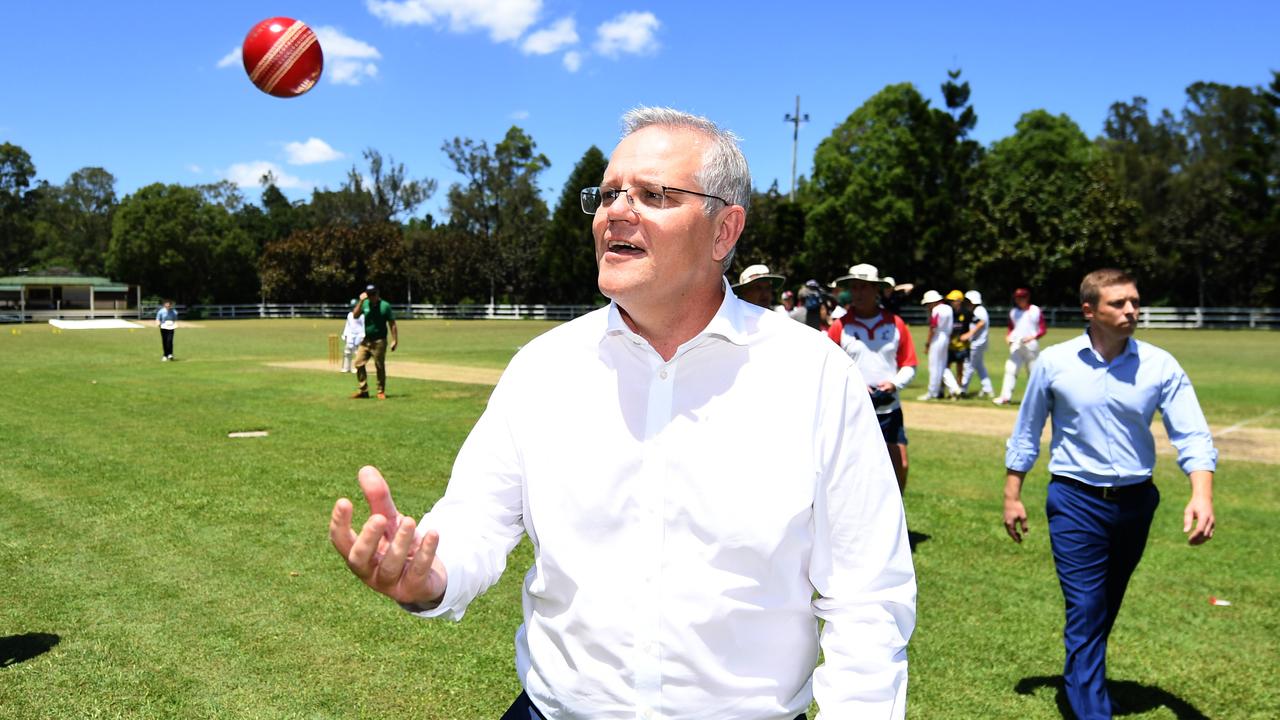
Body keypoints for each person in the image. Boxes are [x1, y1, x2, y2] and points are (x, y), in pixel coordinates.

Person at [329, 107, 916, 719]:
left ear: (724, 230)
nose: (616, 211)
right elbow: (480, 517)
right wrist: (432, 575)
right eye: (608, 193)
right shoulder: (543, 368)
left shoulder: (812, 376)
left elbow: (867, 599)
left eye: (653, 194)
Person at [1002, 268, 1216, 720]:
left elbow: (1193, 434)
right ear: (1089, 311)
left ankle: (1086, 683)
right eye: (1118, 304)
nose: (1131, 311)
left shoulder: (1160, 365)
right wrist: (1012, 492)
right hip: (1074, 500)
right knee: (1086, 605)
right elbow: (1027, 431)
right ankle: (1092, 711)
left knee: (1104, 606)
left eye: (1134, 302)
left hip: (1137, 503)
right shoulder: (1055, 363)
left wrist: (1202, 494)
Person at [828, 264, 917, 494]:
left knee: (901, 466)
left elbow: (909, 363)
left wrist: (895, 384)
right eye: (854, 287)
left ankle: (895, 522)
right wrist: (854, 386)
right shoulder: (840, 326)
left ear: (876, 290)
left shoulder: (895, 323)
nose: (858, 292)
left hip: (890, 410)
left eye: (864, 287)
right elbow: (829, 368)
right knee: (855, 472)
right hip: (854, 410)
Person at [993, 287, 1046, 405]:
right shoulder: (1013, 312)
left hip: (1031, 346)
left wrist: (1033, 337)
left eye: (1021, 297)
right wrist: (1008, 337)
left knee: (1033, 372)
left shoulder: (1035, 310)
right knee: (1010, 369)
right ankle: (1005, 397)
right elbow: (1011, 328)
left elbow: (1043, 329)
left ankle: (1038, 399)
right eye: (1017, 298)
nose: (1019, 300)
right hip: (1016, 345)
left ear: (1027, 298)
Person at [350, 284, 398, 399]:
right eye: (369, 295)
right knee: (358, 363)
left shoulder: (385, 306)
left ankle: (380, 391)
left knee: (379, 366)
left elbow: (392, 324)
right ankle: (363, 390)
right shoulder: (365, 303)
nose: (371, 297)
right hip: (366, 340)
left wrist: (395, 340)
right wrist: (361, 301)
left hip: (379, 341)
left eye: (373, 295)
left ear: (377, 294)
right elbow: (355, 315)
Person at [918, 290, 960, 400]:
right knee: (942, 366)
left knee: (934, 367)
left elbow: (933, 327)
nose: (928, 306)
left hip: (937, 338)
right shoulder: (948, 308)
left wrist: (927, 344)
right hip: (946, 337)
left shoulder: (936, 310)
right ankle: (955, 388)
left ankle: (932, 392)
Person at [959, 290, 994, 398]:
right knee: (979, 367)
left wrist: (968, 335)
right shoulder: (980, 310)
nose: (966, 303)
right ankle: (988, 389)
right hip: (980, 342)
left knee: (969, 366)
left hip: (977, 343)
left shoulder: (978, 311)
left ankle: (962, 390)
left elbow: (981, 323)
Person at [943, 290, 969, 395]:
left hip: (961, 346)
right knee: (946, 369)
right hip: (949, 346)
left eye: (953, 300)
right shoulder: (949, 312)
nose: (951, 303)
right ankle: (944, 390)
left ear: (959, 301)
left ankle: (959, 389)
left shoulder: (966, 313)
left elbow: (976, 324)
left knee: (960, 370)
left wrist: (968, 335)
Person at [340, 299, 365, 373]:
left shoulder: (362, 315)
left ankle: (357, 368)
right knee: (347, 351)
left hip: (359, 334)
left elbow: (363, 325)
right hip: (350, 334)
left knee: (357, 352)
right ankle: (346, 368)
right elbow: (347, 325)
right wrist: (344, 334)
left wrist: (363, 335)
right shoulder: (350, 315)